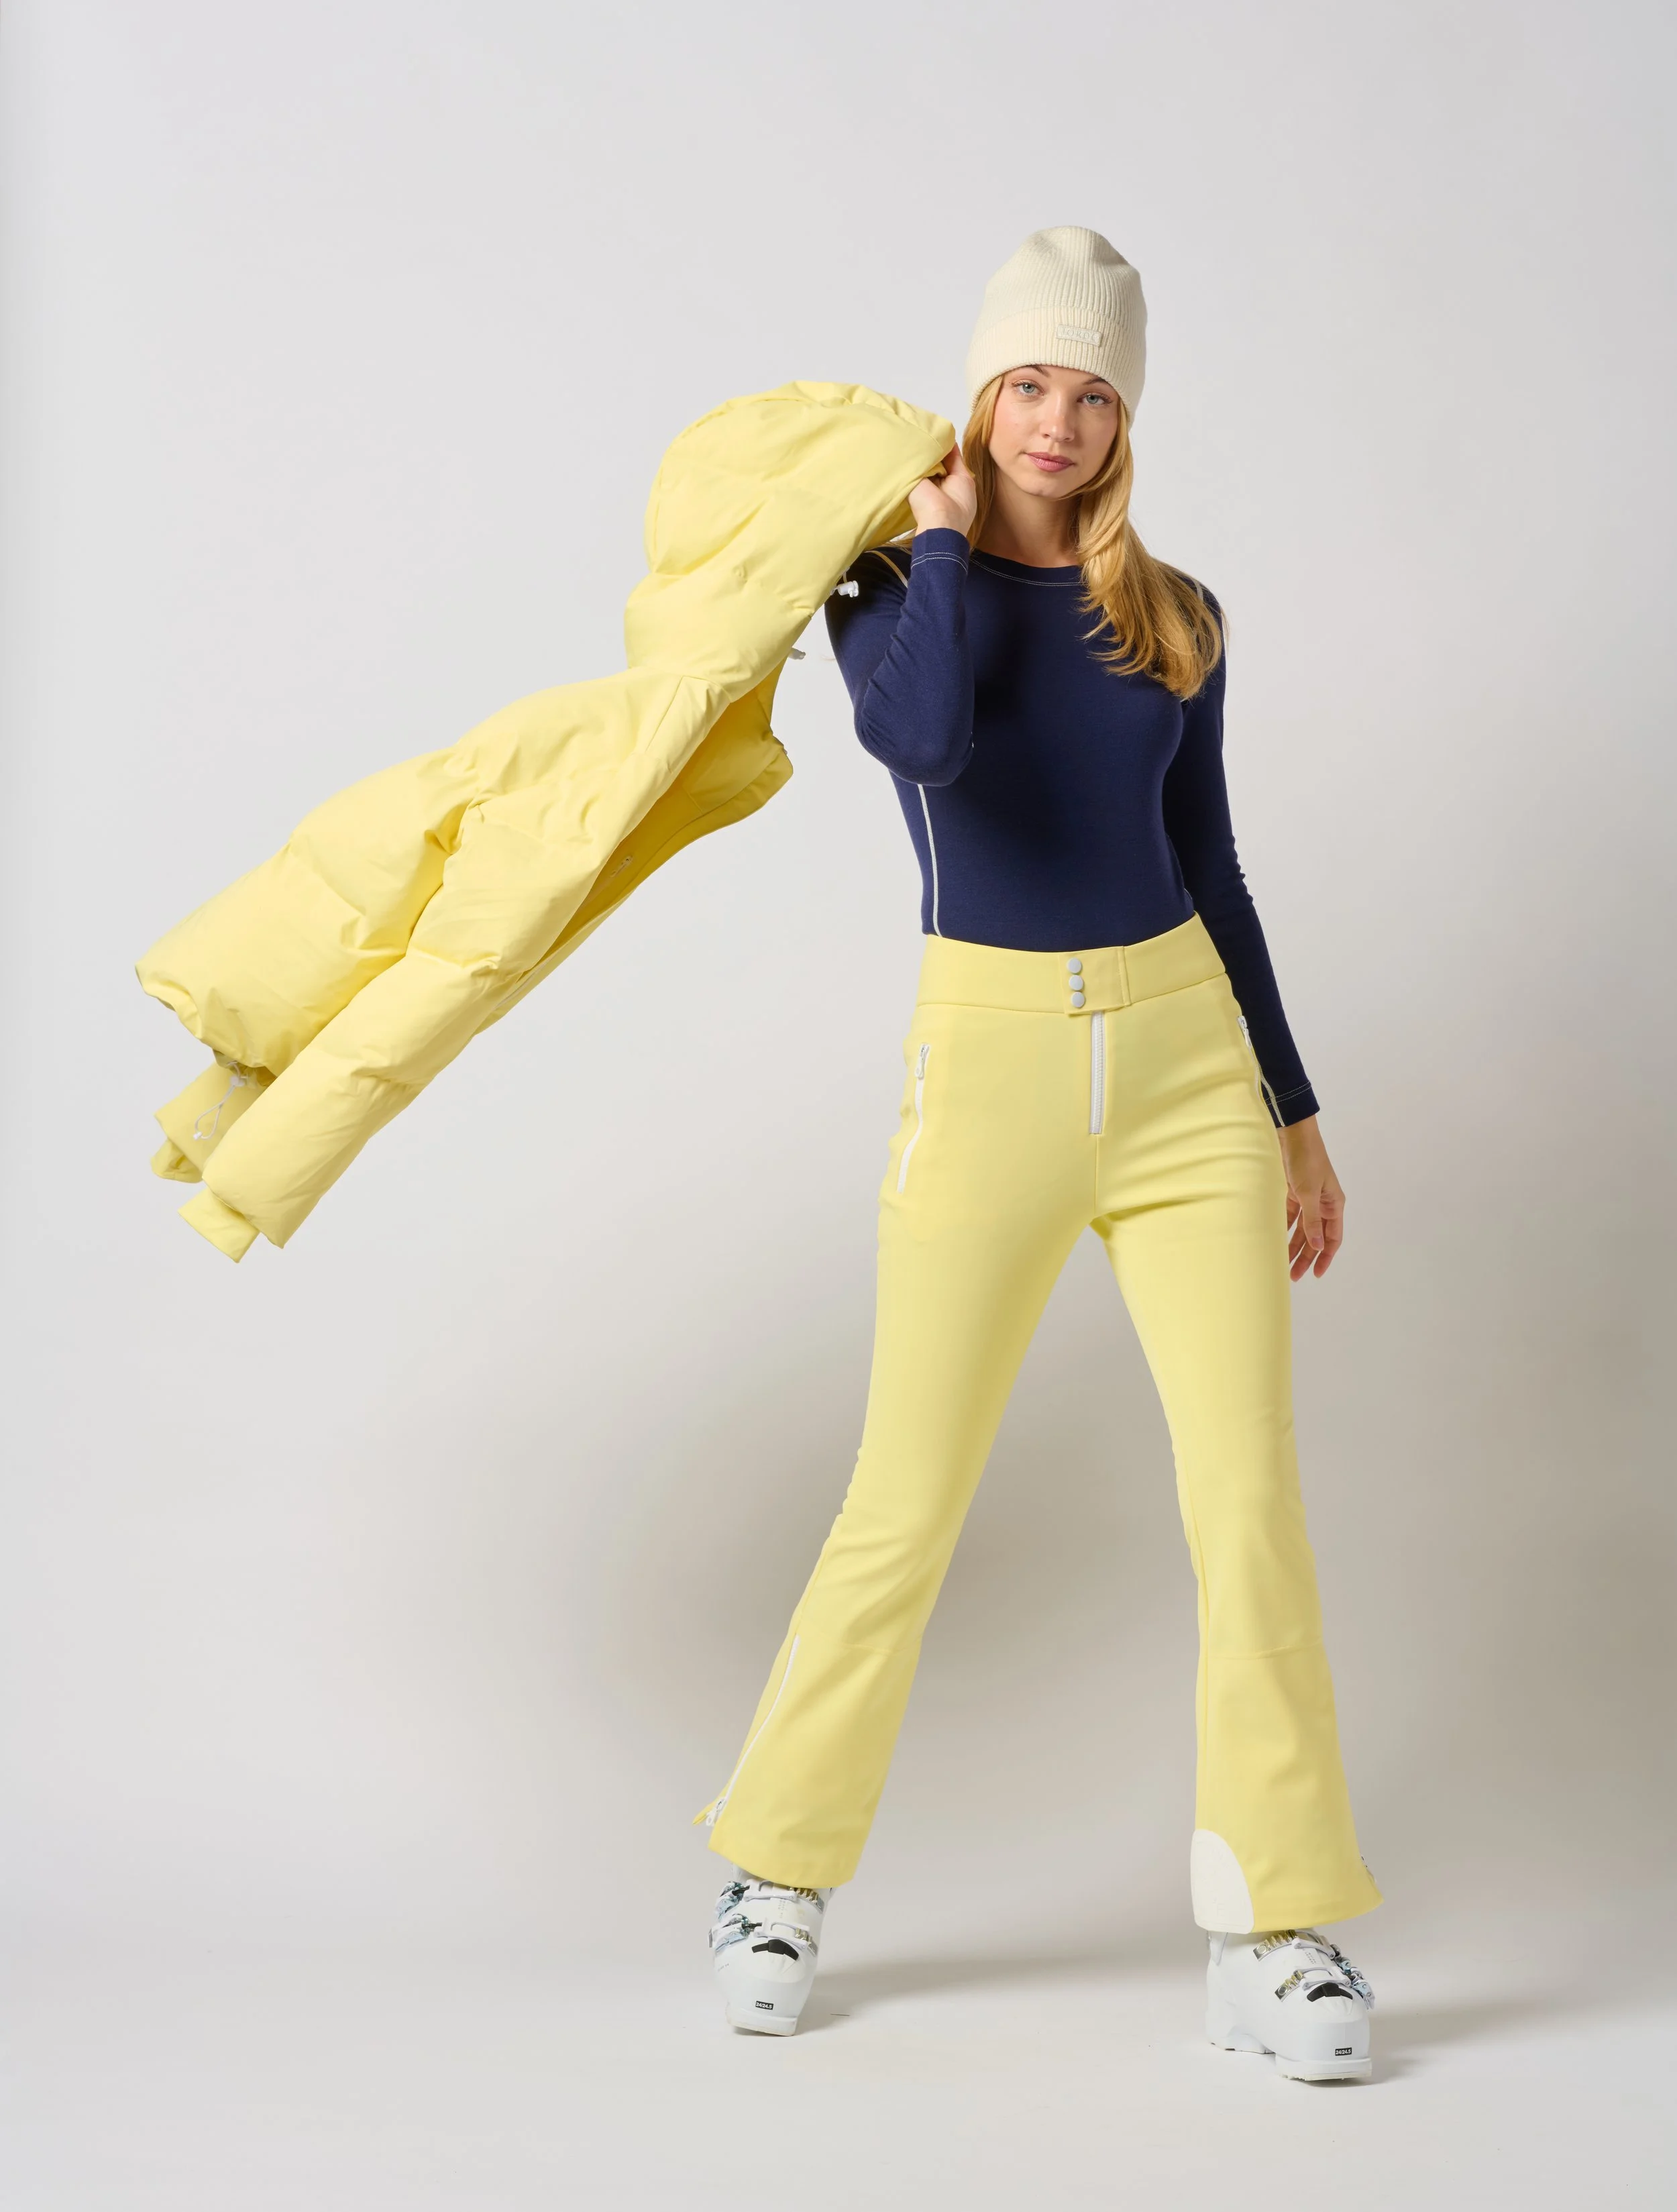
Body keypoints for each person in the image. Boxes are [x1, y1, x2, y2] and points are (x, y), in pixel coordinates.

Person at [694, 227, 1381, 2083]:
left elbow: (1215, 870)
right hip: (983, 1062)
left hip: (1182, 1066)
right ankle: (773, 1876)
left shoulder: (1175, 612)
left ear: (1124, 412)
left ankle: (1278, 1922)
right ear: (978, 394)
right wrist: (923, 543)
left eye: (1094, 388)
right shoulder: (885, 597)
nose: (1061, 417)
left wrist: (1291, 1109)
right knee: (903, 1502)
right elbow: (918, 742)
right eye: (1029, 382)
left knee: (1247, 1505)